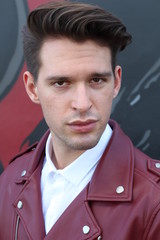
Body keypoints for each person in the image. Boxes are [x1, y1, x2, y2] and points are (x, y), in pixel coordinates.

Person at [1, 1, 160, 239]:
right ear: (32, 88)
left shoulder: (154, 200)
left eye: (96, 80)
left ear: (116, 82)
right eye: (61, 83)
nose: (83, 103)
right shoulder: (10, 180)